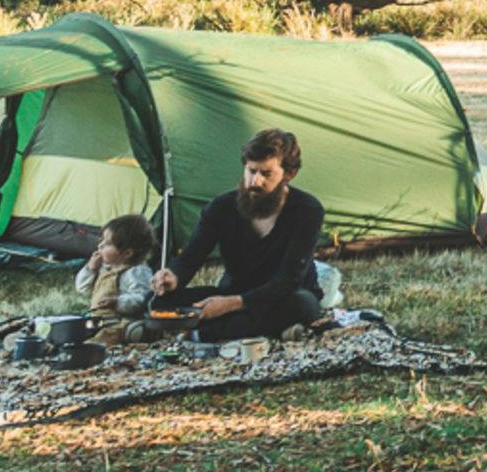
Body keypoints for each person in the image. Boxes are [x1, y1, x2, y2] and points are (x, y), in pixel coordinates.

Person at [149, 129, 327, 343]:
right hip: (233, 292)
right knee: (156, 301)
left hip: (283, 296)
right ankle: (247, 328)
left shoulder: (307, 210)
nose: (255, 182)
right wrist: (172, 277)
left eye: (266, 174)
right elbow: (189, 260)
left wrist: (233, 303)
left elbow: (287, 281)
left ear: (289, 174)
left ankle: (208, 331)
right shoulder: (221, 207)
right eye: (251, 171)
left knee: (302, 305)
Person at [76, 213, 159, 343]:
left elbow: (142, 299)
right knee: (76, 330)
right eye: (101, 240)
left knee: (100, 340)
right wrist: (90, 269)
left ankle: (136, 331)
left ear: (127, 253)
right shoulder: (104, 268)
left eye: (107, 244)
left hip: (118, 322)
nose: (100, 246)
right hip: (98, 321)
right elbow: (82, 287)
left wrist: (117, 301)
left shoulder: (136, 272)